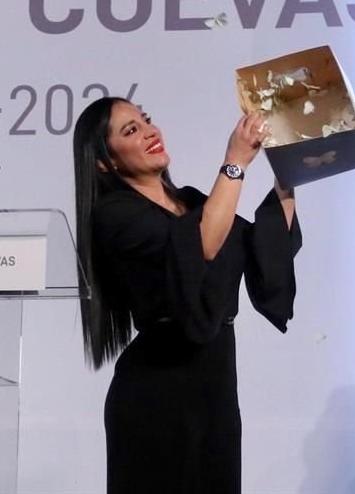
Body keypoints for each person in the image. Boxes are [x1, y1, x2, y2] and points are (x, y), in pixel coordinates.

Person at [72, 96, 300, 494]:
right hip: (159, 389)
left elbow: (261, 246)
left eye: (146, 120)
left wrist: (290, 170)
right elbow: (200, 247)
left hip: (214, 386)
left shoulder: (194, 201)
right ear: (105, 162)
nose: (150, 132)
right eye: (131, 131)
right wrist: (236, 162)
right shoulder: (114, 215)